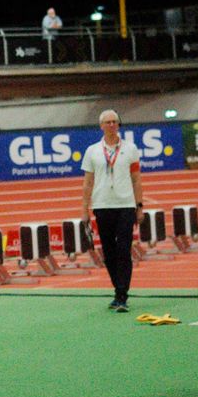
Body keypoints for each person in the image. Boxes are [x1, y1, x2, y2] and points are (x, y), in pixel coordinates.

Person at [80, 109, 144, 313]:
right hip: (102, 205)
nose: (111, 125)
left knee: (124, 250)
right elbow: (88, 182)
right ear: (101, 126)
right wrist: (84, 209)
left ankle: (122, 295)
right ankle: (118, 290)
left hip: (125, 205)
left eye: (115, 121)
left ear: (119, 124)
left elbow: (136, 179)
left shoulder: (131, 148)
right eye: (107, 122)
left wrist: (139, 206)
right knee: (108, 252)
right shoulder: (92, 151)